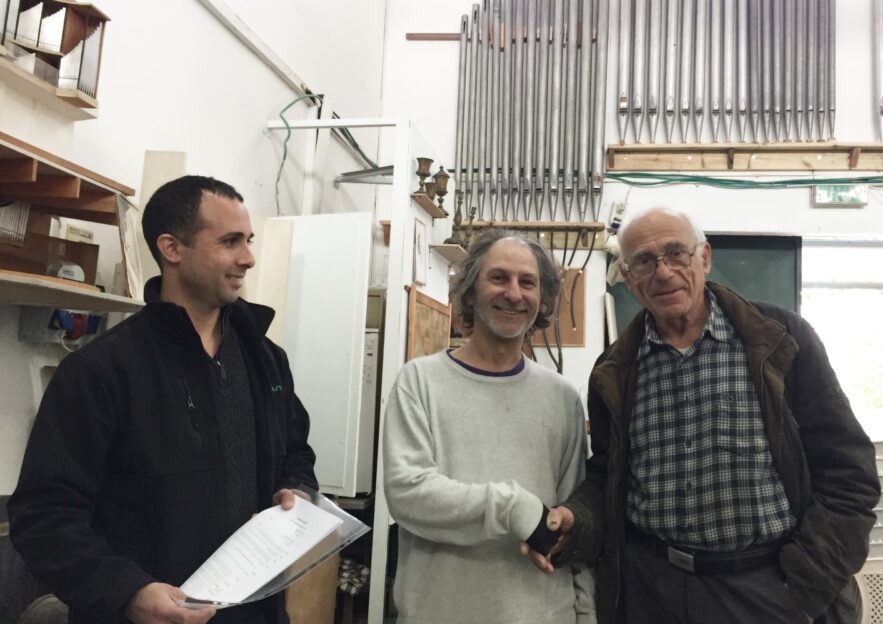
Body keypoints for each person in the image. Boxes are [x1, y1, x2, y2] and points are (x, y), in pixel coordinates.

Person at [533, 208, 880, 624]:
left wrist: (807, 583)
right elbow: (607, 475)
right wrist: (580, 519)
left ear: (705, 258)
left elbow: (849, 472)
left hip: (764, 590)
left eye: (676, 253)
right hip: (650, 592)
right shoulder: (614, 370)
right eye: (644, 261)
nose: (663, 273)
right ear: (627, 276)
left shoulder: (781, 340)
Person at [9, 175, 317, 624]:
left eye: (247, 241)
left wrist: (298, 489)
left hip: (255, 613)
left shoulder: (265, 359)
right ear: (172, 248)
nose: (248, 258)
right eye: (230, 241)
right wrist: (127, 592)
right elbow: (44, 515)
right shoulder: (101, 371)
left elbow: (295, 451)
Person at [382, 229, 595, 624]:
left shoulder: (562, 398)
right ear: (469, 292)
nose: (514, 293)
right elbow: (408, 493)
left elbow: (572, 521)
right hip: (440, 612)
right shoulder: (419, 382)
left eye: (527, 282)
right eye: (499, 278)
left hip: (544, 613)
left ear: (542, 299)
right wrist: (514, 508)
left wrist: (586, 614)